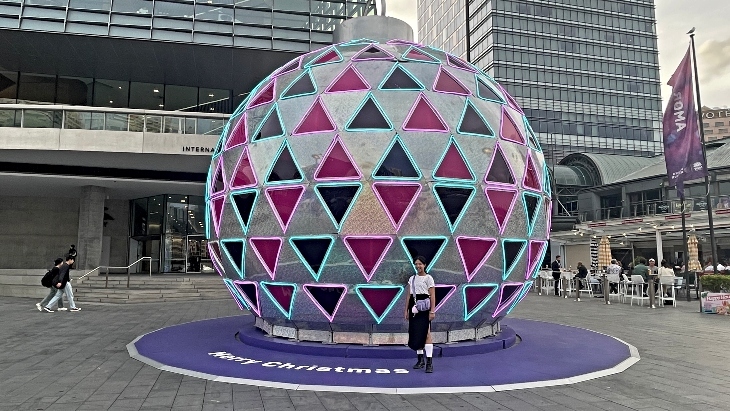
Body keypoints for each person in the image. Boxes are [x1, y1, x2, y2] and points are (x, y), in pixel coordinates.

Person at [404, 256, 436, 373]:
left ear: (425, 265)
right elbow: (408, 295)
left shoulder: (429, 278)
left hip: (424, 307)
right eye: (416, 264)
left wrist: (432, 311)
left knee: (426, 334)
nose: (418, 266)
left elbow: (432, 295)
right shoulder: (412, 279)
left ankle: (429, 362)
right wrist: (406, 309)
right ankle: (420, 360)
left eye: (420, 264)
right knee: (416, 333)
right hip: (414, 307)